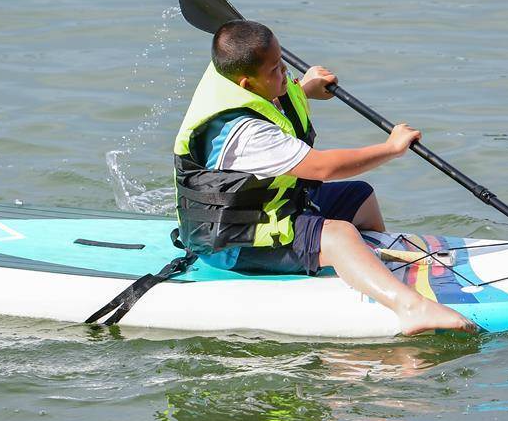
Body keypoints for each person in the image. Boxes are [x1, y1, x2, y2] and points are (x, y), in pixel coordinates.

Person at [173, 19, 476, 335]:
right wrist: (391, 149)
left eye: (282, 64)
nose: (285, 76)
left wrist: (305, 89)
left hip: (270, 207)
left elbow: (272, 101)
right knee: (339, 233)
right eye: (276, 71)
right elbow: (322, 168)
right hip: (233, 241)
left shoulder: (237, 80)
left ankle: (367, 271)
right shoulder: (245, 134)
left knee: (359, 197)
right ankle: (410, 309)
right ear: (247, 83)